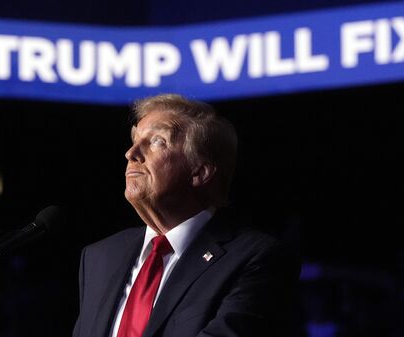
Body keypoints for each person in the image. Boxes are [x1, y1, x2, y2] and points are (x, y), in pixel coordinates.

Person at [72, 94, 301, 337]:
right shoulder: (100, 257)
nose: (131, 153)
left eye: (157, 141)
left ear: (199, 172)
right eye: (135, 140)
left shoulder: (255, 258)